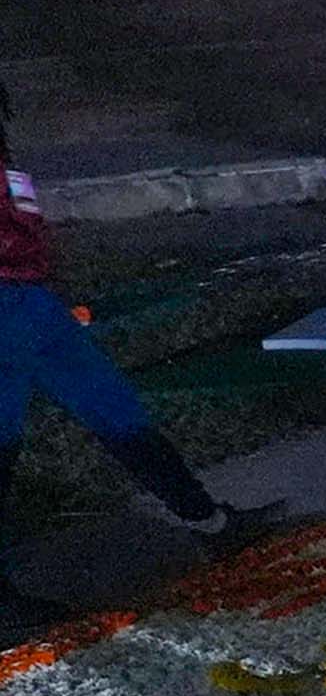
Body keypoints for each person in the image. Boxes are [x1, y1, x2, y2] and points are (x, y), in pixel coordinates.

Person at [0, 79, 238, 601]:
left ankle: (208, 520)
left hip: (35, 309)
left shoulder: (7, 161)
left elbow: (31, 235)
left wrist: (54, 290)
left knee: (119, 414)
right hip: (12, 311)